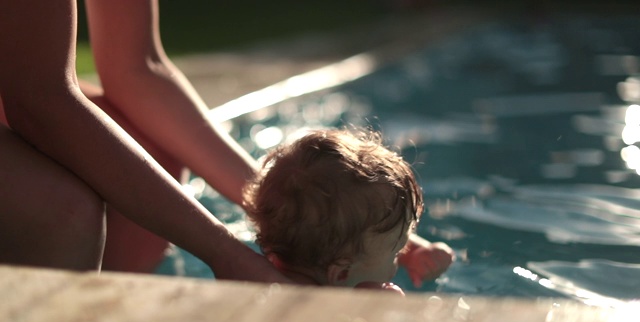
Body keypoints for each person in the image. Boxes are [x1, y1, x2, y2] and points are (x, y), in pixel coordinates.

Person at [0, 0, 289, 282]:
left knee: (159, 158)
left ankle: (110, 312)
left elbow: (137, 67)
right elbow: (37, 101)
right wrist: (225, 252)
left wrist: (278, 207)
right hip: (27, 91)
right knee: (62, 210)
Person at [243, 129, 455, 291]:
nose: (400, 259)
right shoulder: (344, 312)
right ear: (342, 274)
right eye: (396, 253)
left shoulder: (246, 277)